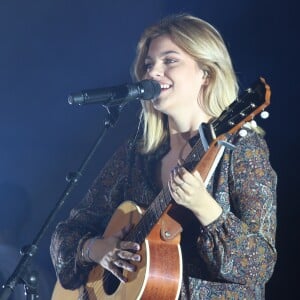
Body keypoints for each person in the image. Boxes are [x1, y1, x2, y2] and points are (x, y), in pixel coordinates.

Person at [50, 14, 277, 299]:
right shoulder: (137, 152)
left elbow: (258, 267)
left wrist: (205, 207)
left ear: (206, 72)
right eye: (148, 65)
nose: (153, 73)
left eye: (170, 61)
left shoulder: (242, 150)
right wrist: (99, 250)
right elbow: (66, 233)